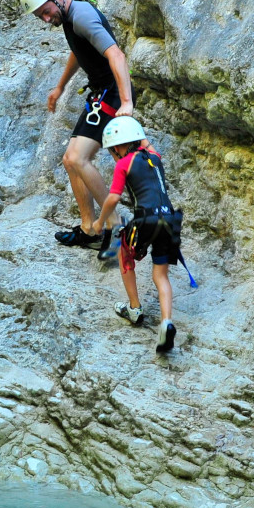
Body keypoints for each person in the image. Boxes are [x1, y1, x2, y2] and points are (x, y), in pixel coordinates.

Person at [19, 0, 134, 253]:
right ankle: (88, 229)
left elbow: (116, 55)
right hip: (101, 93)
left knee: (76, 157)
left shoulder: (81, 15)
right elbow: (78, 51)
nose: (46, 19)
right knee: (70, 161)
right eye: (40, 16)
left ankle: (115, 225)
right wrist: (59, 86)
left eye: (45, 12)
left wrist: (127, 102)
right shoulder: (69, 17)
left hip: (113, 93)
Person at [93, 117, 182, 353]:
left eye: (113, 150)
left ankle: (134, 308)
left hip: (147, 219)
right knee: (161, 275)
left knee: (124, 253)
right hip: (170, 220)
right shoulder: (155, 157)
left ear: (118, 147)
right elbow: (147, 143)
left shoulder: (124, 163)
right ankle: (166, 322)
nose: (113, 154)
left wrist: (100, 221)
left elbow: (112, 198)